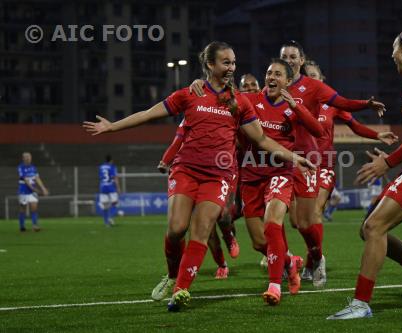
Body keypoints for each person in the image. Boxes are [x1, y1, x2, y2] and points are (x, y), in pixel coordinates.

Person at [83, 41, 314, 312]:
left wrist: (292, 155)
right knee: (176, 229)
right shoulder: (189, 93)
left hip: (219, 175)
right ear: (210, 65)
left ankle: (181, 290)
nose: (231, 68)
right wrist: (112, 127)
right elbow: (149, 113)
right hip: (186, 170)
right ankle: (172, 275)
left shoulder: (239, 101)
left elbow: (261, 139)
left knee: (202, 230)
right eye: (226, 62)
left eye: (233, 62)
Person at [328, 30, 402, 320]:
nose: (392, 54)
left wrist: (388, 163)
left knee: (373, 229)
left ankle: (360, 304)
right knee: (368, 229)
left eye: (395, 49)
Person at [279, 42, 389, 289]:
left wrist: (376, 134)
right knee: (298, 222)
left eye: (315, 77)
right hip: (293, 161)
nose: (311, 80)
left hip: (323, 163)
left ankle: (316, 261)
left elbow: (354, 123)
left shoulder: (329, 104)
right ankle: (310, 260)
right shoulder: (283, 91)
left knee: (315, 214)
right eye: (310, 76)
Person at [239, 58, 323, 305]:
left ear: (288, 81)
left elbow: (318, 131)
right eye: (268, 72)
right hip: (251, 175)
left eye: (278, 74)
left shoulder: (292, 108)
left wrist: (296, 107)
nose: (272, 77)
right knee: (258, 243)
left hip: (281, 173)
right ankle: (290, 262)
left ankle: (275, 286)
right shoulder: (251, 101)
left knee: (272, 223)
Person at [155, 121, 237, 282]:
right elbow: (178, 139)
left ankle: (227, 245)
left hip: (217, 172)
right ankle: (177, 274)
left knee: (218, 221)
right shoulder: (191, 114)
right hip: (188, 173)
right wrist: (166, 159)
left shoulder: (230, 110)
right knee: (184, 229)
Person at [17, 152, 49, 232]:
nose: (28, 158)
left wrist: (43, 188)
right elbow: (26, 180)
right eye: (26, 157)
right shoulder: (21, 167)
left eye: (29, 157)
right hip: (23, 191)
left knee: (34, 208)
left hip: (32, 192)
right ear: (23, 158)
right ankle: (22, 227)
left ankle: (35, 226)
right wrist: (34, 189)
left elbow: (37, 178)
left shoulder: (33, 168)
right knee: (23, 209)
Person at [98, 155, 120, 227]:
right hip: (110, 186)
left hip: (103, 187)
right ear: (111, 160)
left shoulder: (101, 167)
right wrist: (118, 188)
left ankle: (106, 223)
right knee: (115, 202)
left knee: (105, 206)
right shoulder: (112, 167)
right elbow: (115, 178)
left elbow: (100, 178)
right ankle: (110, 217)